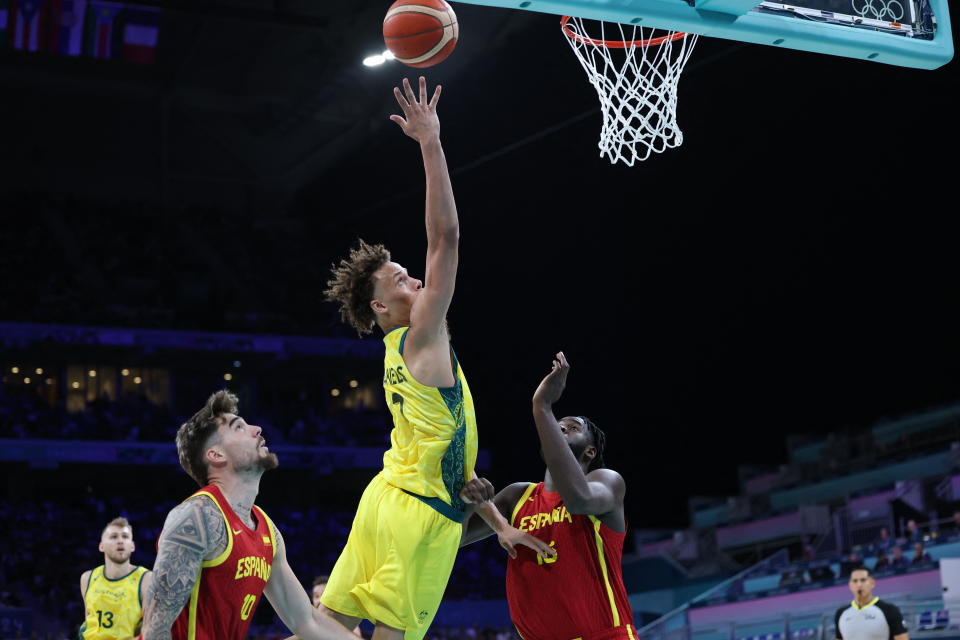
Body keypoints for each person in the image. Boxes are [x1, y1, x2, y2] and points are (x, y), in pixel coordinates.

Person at [320, 77, 551, 640]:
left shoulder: (396, 348)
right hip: (420, 516)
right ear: (381, 305)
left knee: (326, 623)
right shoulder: (421, 333)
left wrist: (498, 524)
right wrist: (430, 142)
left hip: (385, 498)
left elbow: (458, 469)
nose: (417, 278)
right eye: (402, 278)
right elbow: (445, 238)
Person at [141, 390, 357, 640]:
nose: (257, 428)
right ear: (216, 455)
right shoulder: (196, 517)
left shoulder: (266, 529)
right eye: (238, 427)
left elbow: (306, 621)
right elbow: (154, 631)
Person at [461, 352, 636, 640]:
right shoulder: (518, 496)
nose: (561, 427)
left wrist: (542, 407)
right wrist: (469, 504)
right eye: (559, 425)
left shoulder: (607, 482)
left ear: (590, 452)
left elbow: (579, 500)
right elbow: (457, 539)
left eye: (573, 427)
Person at [80, 517, 152, 639]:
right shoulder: (87, 578)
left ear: (132, 546)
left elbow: (150, 632)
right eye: (113, 537)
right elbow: (89, 622)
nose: (120, 541)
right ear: (101, 546)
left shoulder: (146, 579)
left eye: (125, 537)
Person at [834, 567, 908, 640]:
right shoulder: (841, 613)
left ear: (872, 583)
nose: (859, 584)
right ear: (850, 585)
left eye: (863, 580)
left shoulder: (889, 610)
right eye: (855, 581)